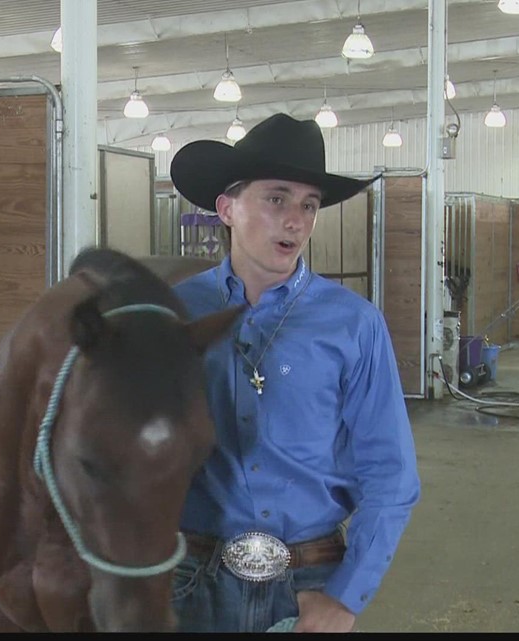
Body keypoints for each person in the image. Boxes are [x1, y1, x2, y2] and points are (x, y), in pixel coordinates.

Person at [167, 113, 421, 633]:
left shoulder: (354, 324)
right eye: (276, 199)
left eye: (309, 205)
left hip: (309, 586)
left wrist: (346, 598)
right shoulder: (172, 317)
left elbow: (391, 475)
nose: (296, 220)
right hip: (189, 582)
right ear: (227, 209)